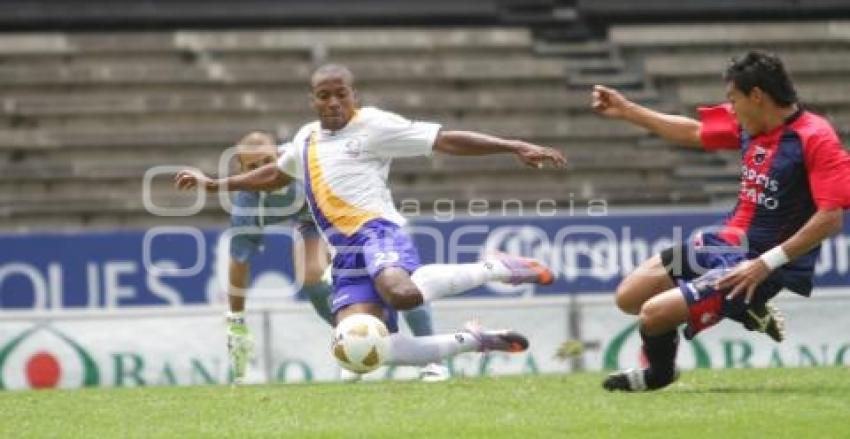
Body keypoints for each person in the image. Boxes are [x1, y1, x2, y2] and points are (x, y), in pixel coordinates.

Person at [176, 63, 566, 372]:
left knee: (401, 292)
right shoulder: (305, 138)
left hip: (377, 230)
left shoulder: (375, 125)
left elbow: (445, 139)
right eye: (324, 96)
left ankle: (495, 268)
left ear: (353, 96)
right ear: (312, 100)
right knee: (364, 347)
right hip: (344, 250)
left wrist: (513, 145)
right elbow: (276, 174)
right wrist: (213, 185)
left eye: (340, 94)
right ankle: (476, 341)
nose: (333, 103)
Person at [592, 51, 850, 391]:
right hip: (723, 243)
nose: (729, 107)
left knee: (654, 314)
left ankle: (659, 374)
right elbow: (694, 133)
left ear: (756, 96)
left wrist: (764, 264)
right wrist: (628, 111)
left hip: (756, 263)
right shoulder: (750, 124)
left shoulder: (815, 138)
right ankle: (749, 309)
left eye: (733, 98)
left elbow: (830, 218)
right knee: (629, 297)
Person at [225, 131, 447, 383]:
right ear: (242, 171)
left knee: (396, 276)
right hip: (315, 221)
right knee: (311, 277)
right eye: (252, 167)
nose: (262, 171)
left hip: (362, 207)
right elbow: (239, 259)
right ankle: (356, 341)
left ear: (278, 155)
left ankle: (432, 359)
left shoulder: (305, 158)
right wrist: (236, 320)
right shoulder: (247, 205)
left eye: (267, 161)